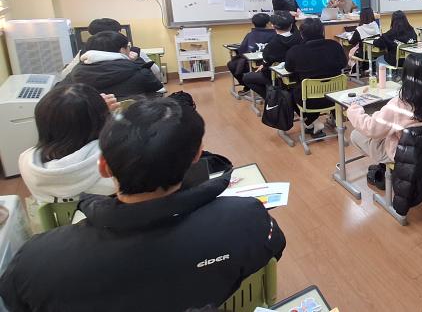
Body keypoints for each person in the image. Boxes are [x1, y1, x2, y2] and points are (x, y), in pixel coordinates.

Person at [0, 98, 287, 312]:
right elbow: (271, 252)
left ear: (104, 167)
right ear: (197, 156)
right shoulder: (244, 217)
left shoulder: (36, 261)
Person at [18, 84, 117, 203]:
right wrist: (102, 114)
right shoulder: (112, 165)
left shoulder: (26, 161)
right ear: (100, 122)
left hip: (55, 215)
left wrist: (96, 113)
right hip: (102, 214)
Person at [348, 54, 422, 169]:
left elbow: (371, 128)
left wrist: (354, 109)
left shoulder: (400, 104)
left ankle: (385, 168)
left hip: (405, 155)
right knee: (388, 131)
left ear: (405, 74)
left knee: (356, 134)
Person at [285, 18, 348, 135]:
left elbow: (289, 69)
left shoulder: (295, 51)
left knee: (290, 92)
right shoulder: (335, 46)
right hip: (336, 97)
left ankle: (311, 122)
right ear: (322, 31)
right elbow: (344, 64)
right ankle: (335, 118)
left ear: (301, 34)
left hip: (309, 101)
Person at [64, 31, 164, 99]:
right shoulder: (140, 73)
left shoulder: (73, 75)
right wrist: (137, 61)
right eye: (128, 47)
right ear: (122, 50)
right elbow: (157, 86)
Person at [62, 17, 161, 79]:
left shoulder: (84, 53)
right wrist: (137, 61)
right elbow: (155, 71)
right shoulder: (132, 50)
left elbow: (64, 74)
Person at [242, 13, 301, 99]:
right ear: (291, 25)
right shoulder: (299, 38)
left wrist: (263, 65)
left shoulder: (272, 44)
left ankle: (271, 98)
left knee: (247, 77)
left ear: (273, 26)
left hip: (275, 76)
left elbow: (266, 62)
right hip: (296, 74)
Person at [228, 13, 276, 86]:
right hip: (268, 64)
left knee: (232, 64)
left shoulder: (250, 34)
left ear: (253, 24)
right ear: (268, 23)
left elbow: (242, 50)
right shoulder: (275, 34)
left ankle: (246, 85)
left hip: (251, 64)